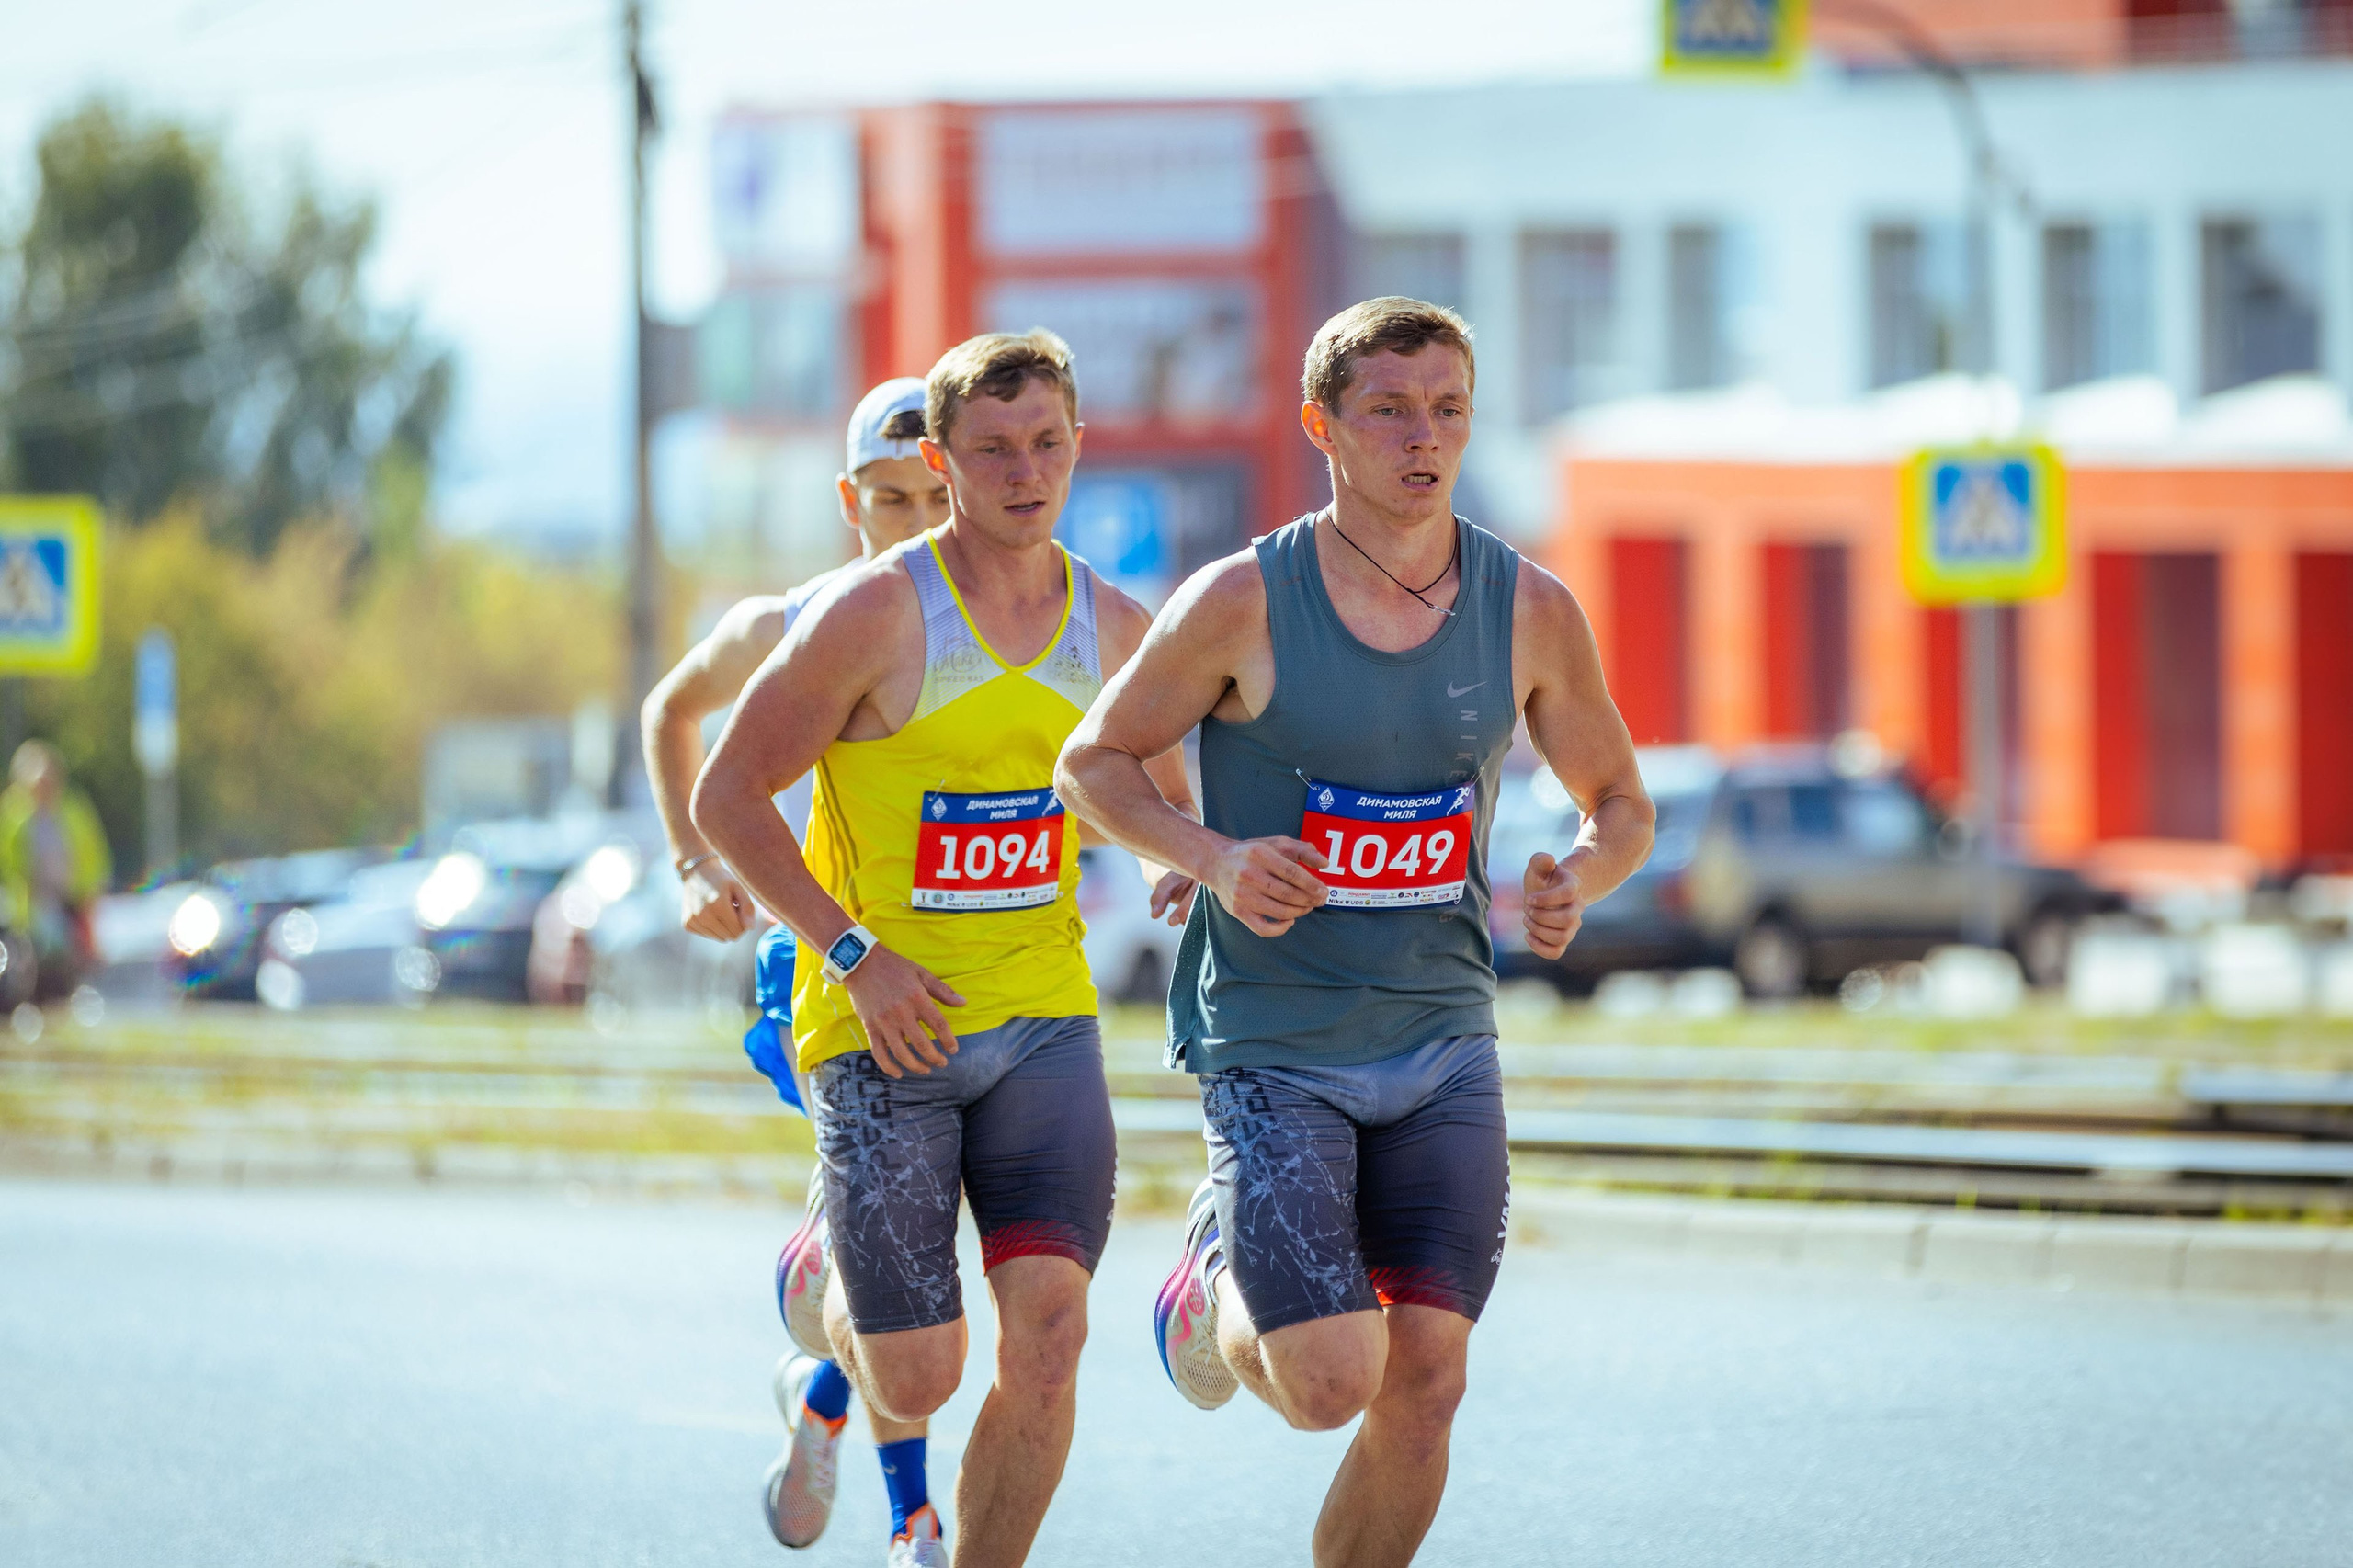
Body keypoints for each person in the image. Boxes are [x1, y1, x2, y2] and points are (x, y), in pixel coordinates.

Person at [1054, 297, 1656, 1567]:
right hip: (1276, 1039)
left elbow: (1622, 801)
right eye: (1388, 411)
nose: (1421, 438)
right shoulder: (1240, 600)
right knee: (1333, 1381)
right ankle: (1205, 1281)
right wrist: (1209, 855)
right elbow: (1090, 763)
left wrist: (1579, 875)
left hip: (1441, 1033)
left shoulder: (1528, 605)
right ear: (1325, 426)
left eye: (1446, 410)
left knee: (1428, 1378)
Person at [691, 329, 1193, 1568]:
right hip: (880, 1022)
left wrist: (1184, 862)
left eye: (1047, 444)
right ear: (940, 458)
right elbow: (729, 794)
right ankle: (832, 1340)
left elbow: (1160, 809)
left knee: (1053, 1333)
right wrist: (853, 950)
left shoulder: (1116, 627)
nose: (1024, 473)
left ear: (1078, 443)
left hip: (1042, 1021)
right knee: (917, 1372)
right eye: (991, 449)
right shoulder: (873, 615)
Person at [639, 377, 949, 1556]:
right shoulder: (794, 622)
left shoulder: (1025, 620)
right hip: (823, 970)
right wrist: (687, 862)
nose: (914, 522)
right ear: (847, 501)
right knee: (890, 1251)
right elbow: (675, 710)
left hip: (978, 971)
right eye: (887, 498)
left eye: (934, 495)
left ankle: (818, 1398)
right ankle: (913, 1516)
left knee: (923, 1251)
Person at [0, 739, 111, 1002]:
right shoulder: (15, 813)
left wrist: (88, 893)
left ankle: (65, 998)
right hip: (30, 901)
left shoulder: (73, 810)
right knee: (31, 959)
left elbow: (93, 855)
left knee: (70, 955)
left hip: (70, 898)